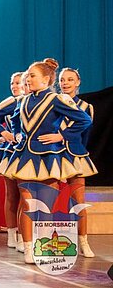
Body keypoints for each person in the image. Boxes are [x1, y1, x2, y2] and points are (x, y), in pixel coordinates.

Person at [0, 58, 91, 264]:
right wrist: (11, 134)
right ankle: (28, 248)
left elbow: (83, 120)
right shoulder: (22, 101)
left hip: (49, 157)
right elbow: (9, 121)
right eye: (28, 75)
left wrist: (62, 136)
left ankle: (42, 246)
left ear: (46, 80)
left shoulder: (56, 100)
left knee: (47, 206)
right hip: (24, 156)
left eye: (32, 75)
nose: (28, 79)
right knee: (27, 204)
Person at [0, 72, 26, 252]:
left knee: (26, 195)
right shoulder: (10, 102)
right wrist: (0, 134)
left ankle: (25, 236)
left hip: (29, 152)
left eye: (18, 83)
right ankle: (12, 235)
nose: (14, 86)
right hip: (10, 152)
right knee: (12, 195)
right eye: (12, 83)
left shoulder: (32, 102)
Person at [58, 67, 98, 257]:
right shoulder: (52, 103)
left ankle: (83, 241)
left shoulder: (86, 107)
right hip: (53, 156)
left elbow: (85, 136)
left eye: (70, 79)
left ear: (78, 82)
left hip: (75, 157)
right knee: (50, 201)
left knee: (79, 201)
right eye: (62, 80)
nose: (65, 83)